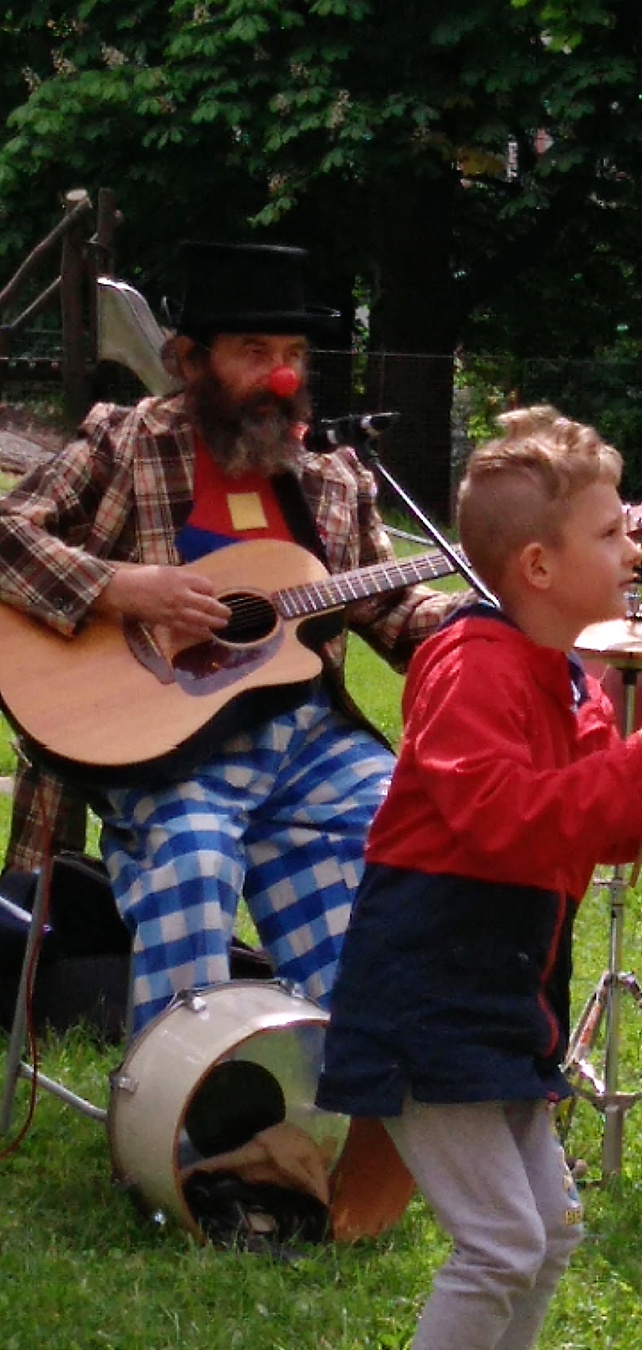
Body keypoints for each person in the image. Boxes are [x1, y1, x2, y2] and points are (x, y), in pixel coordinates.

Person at [315, 406, 642, 1350]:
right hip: (428, 1003)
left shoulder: (569, 681)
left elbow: (617, 825)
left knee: (548, 1234)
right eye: (610, 535)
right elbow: (495, 817)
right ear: (537, 566)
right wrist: (631, 769)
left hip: (505, 1006)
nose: (634, 552)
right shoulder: (469, 666)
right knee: (500, 1245)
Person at [0, 241, 465, 1036]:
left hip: (308, 742)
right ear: (190, 360)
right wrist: (118, 587)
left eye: (293, 355)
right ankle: (186, 1094)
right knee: (195, 856)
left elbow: (390, 607)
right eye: (255, 352)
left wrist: (485, 619)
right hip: (165, 748)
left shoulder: (332, 476)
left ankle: (362, 1074)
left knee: (408, 834)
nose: (280, 378)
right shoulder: (127, 443)